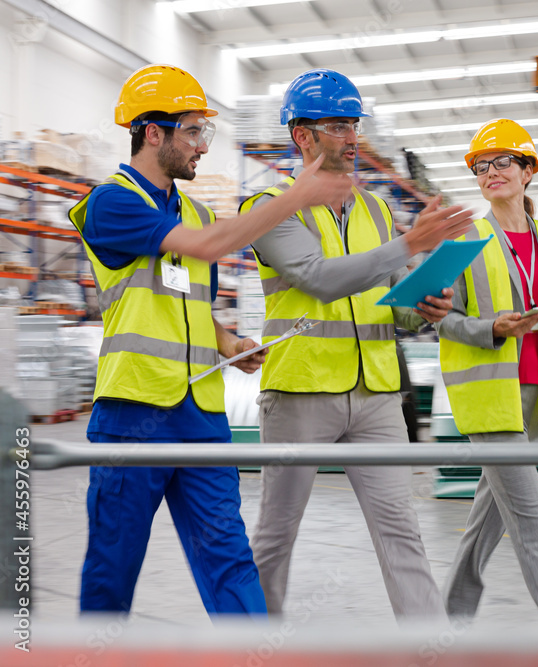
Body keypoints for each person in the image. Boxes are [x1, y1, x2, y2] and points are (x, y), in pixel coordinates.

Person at [68, 64, 351, 616]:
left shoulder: (193, 209)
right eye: (194, 131)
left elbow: (185, 301)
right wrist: (295, 196)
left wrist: (228, 343)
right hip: (134, 411)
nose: (202, 146)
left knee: (229, 558)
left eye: (206, 133)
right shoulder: (111, 202)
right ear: (154, 132)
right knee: (112, 566)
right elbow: (205, 247)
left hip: (200, 411)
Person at [241, 68, 473, 621]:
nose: (351, 137)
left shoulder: (374, 209)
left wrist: (423, 309)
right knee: (276, 537)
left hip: (376, 393)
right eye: (339, 125)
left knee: (402, 532)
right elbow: (319, 278)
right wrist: (410, 244)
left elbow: (389, 300)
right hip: (302, 391)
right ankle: (251, 646)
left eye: (354, 124)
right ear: (303, 136)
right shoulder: (270, 206)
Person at [436, 118, 538, 623]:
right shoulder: (464, 239)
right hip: (489, 398)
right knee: (532, 524)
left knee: (488, 519)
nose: (490, 172)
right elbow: (445, 321)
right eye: (481, 166)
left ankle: (450, 620)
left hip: (537, 396)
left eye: (502, 161)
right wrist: (493, 329)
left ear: (528, 171)